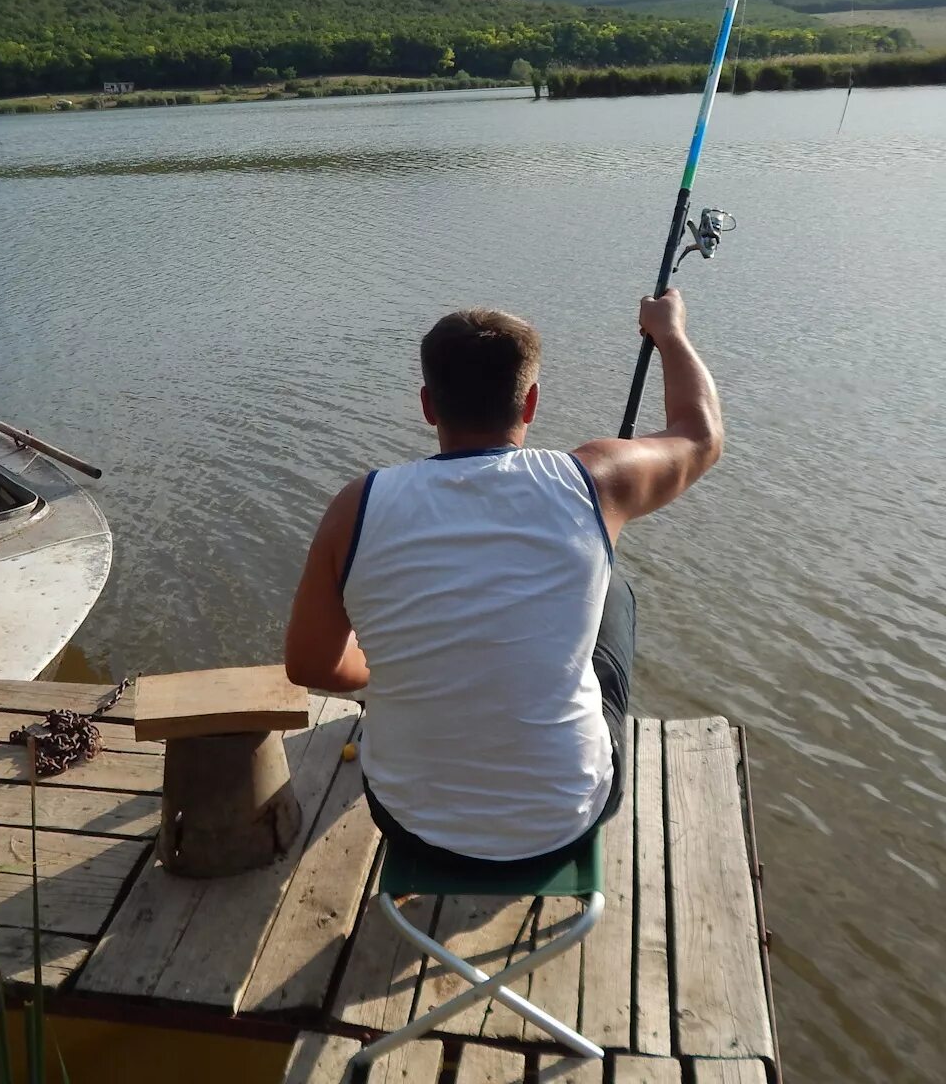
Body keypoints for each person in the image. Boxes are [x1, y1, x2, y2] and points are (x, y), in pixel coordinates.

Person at [283, 291, 724, 864]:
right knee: (611, 594)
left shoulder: (357, 505)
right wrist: (669, 332)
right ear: (531, 402)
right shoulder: (594, 481)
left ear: (427, 405)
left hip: (408, 821)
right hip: (565, 819)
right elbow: (702, 436)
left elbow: (310, 665)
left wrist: (384, 665)